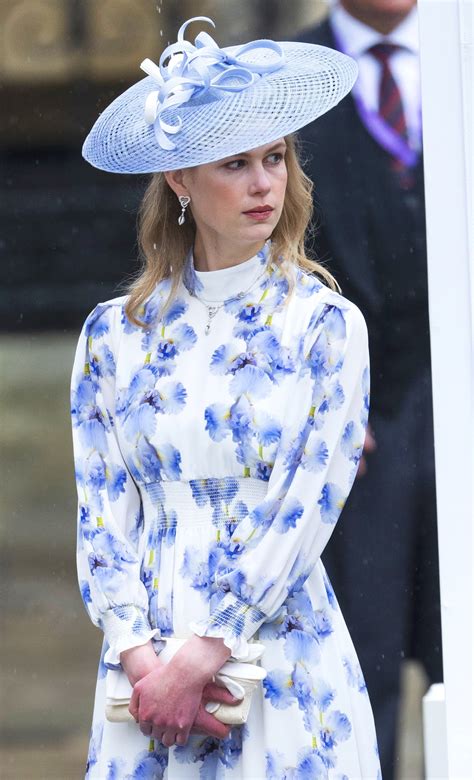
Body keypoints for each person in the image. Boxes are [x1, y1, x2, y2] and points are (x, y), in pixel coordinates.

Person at [71, 16, 382, 779]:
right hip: (142, 673)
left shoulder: (325, 325)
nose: (262, 183)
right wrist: (141, 658)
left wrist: (208, 651)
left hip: (281, 652)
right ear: (180, 180)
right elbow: (102, 510)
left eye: (274, 159)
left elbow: (307, 502)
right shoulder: (115, 335)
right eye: (235, 163)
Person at [297, 2, 443, 778]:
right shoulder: (287, 80)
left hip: (464, 412)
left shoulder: (464, 54)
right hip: (353, 431)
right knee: (363, 664)